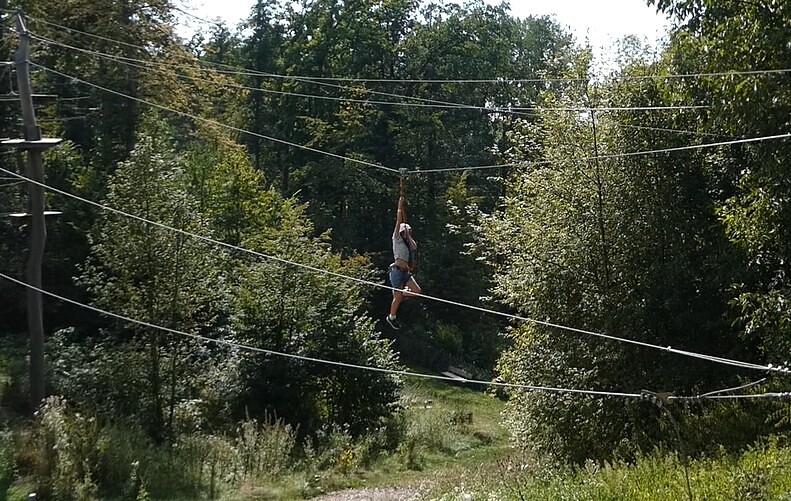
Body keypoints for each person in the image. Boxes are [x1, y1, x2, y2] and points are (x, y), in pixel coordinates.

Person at [386, 196, 422, 330]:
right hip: (396, 271)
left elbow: (414, 247)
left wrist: (409, 236)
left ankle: (405, 293)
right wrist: (400, 206)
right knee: (397, 297)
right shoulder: (396, 238)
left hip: (405, 272)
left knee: (417, 291)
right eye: (406, 232)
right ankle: (392, 317)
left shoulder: (408, 243)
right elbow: (398, 220)